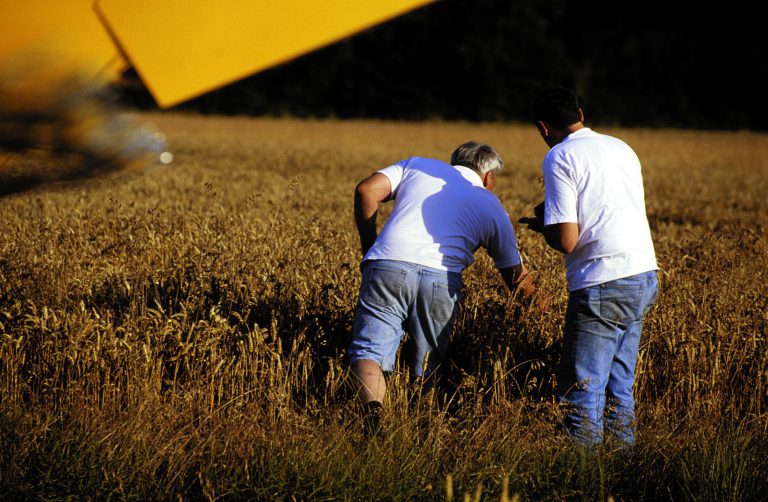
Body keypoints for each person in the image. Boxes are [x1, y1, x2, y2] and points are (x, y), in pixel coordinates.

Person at [350, 141, 535, 431]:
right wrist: (541, 309)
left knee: (368, 352)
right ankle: (423, 430)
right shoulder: (489, 203)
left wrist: (370, 248)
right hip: (441, 278)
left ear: (453, 163)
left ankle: (373, 417)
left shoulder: (418, 165)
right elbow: (517, 277)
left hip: (387, 265)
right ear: (489, 177)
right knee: (428, 363)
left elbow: (365, 190)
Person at [520, 86, 658, 446]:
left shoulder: (560, 156)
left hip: (602, 280)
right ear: (580, 114)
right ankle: (622, 465)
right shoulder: (621, 147)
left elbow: (567, 240)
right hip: (643, 274)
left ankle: (583, 471)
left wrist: (547, 229)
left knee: (582, 389)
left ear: (543, 127)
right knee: (619, 386)